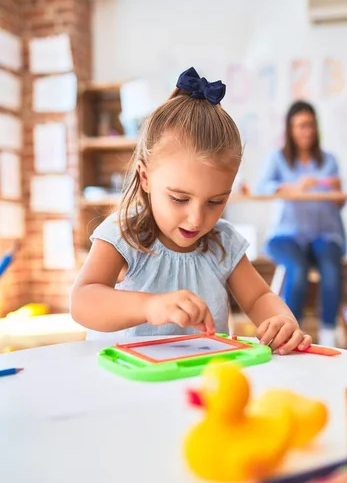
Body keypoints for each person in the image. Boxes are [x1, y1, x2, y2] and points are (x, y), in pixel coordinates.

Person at [70, 67, 311, 354]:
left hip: (200, 385)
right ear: (145, 177)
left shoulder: (223, 242)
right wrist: (149, 306)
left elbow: (259, 297)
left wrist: (280, 320)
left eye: (215, 202)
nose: (197, 219)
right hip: (125, 383)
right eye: (179, 199)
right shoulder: (124, 234)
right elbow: (83, 301)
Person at [254, 100, 345, 348]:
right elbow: (260, 188)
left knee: (331, 268)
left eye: (311, 125)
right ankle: (290, 332)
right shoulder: (278, 159)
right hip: (287, 236)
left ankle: (328, 334)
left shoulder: (329, 161)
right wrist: (292, 187)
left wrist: (338, 193)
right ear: (290, 130)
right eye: (301, 126)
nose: (307, 131)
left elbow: (339, 204)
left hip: (323, 234)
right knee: (297, 269)